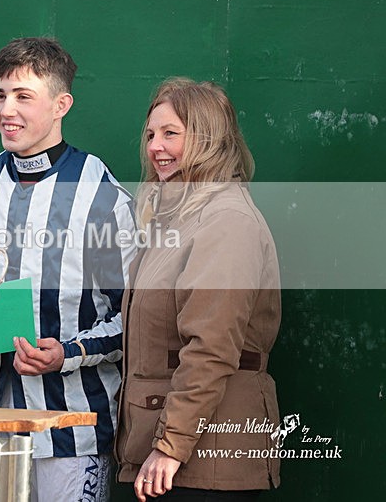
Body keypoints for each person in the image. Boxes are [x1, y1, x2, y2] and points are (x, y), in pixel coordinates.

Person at [0, 37, 138, 502]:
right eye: (0, 95)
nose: (6, 110)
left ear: (61, 105)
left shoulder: (102, 194)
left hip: (72, 432)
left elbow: (136, 320)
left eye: (23, 96)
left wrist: (67, 353)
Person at [114, 77, 282, 501]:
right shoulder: (177, 219)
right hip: (170, 460)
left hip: (205, 466)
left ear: (208, 139)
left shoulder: (225, 220)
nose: (155, 147)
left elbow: (211, 347)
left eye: (171, 133)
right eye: (151, 134)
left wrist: (171, 444)